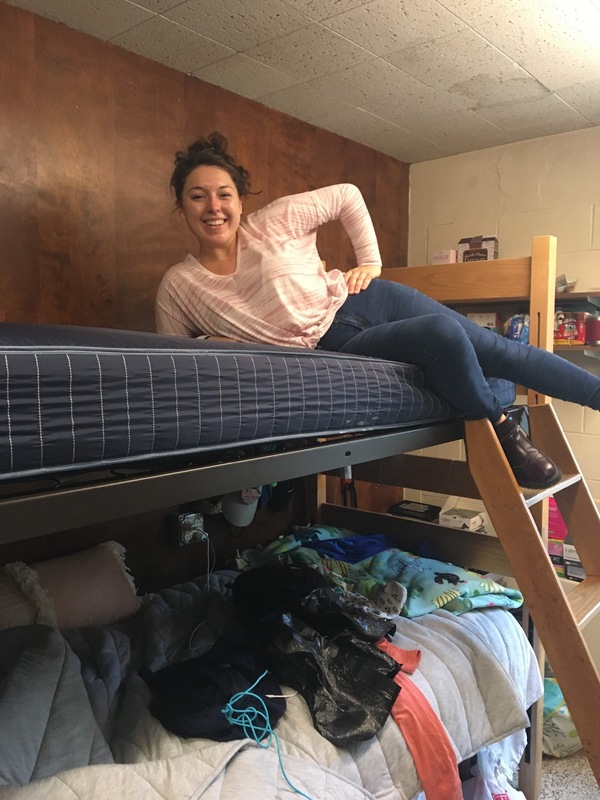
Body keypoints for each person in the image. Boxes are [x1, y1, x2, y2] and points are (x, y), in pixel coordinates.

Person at [156, 132, 600, 490]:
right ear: (181, 207)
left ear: (239, 201)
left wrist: (370, 261)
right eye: (198, 197)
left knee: (503, 353)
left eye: (224, 194)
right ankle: (502, 430)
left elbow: (347, 196)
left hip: (368, 299)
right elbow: (174, 362)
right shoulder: (180, 285)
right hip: (337, 347)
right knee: (442, 336)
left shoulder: (273, 220)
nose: (214, 207)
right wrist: (209, 342)